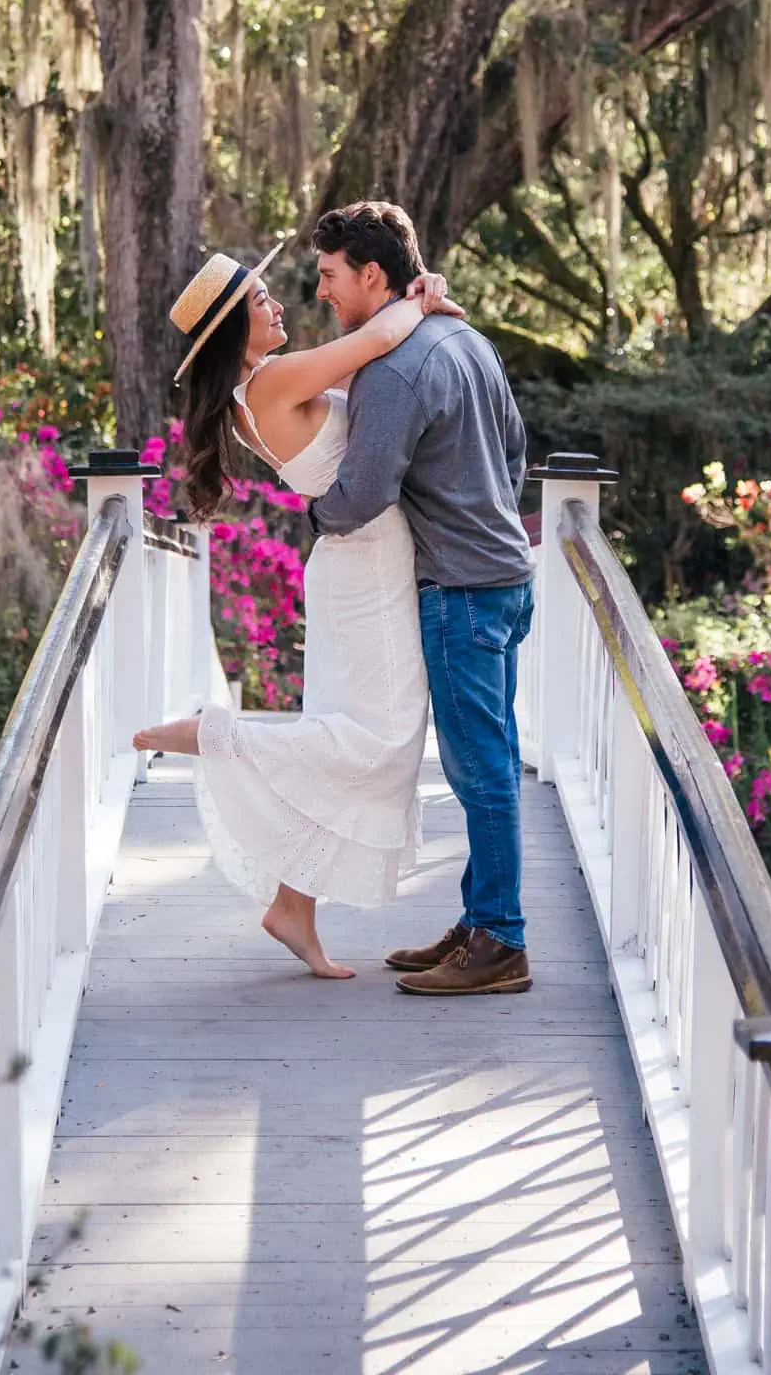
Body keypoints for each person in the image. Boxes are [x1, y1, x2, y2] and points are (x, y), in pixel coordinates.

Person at [131, 237, 457, 980]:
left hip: (358, 565)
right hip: (366, 571)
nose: (278, 304)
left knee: (352, 738)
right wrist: (421, 293)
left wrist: (413, 300)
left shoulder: (261, 389)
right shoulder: (273, 381)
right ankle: (212, 736)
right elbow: (377, 336)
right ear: (230, 328)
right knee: (383, 742)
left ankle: (294, 909)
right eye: (260, 300)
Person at [308, 201, 536, 996]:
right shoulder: (467, 339)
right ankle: (480, 923)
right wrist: (486, 517)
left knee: (482, 773)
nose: (323, 292)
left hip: (463, 595)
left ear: (374, 275)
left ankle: (502, 942)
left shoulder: (391, 369)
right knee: (493, 761)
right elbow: (516, 448)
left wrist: (310, 512)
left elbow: (364, 490)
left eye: (331, 275)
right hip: (507, 579)